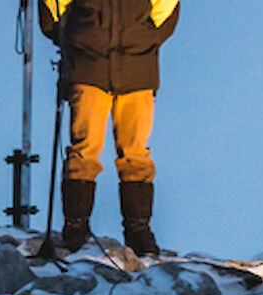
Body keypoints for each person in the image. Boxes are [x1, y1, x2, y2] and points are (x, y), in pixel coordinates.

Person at [40, 0, 181, 258]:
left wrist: (78, 38)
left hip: (106, 65)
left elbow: (167, 9)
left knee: (114, 153)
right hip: (113, 66)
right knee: (108, 153)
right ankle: (124, 231)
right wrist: (144, 38)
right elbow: (51, 14)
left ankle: (82, 229)